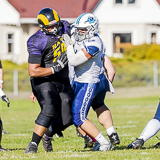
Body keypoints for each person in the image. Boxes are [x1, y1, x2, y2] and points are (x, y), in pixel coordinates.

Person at [62, 13, 120, 151]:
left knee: (78, 117)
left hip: (88, 82)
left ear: (92, 28)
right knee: (98, 104)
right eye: (78, 28)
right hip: (88, 79)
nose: (79, 31)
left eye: (83, 29)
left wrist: (69, 46)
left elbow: (74, 60)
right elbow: (65, 28)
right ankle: (111, 133)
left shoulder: (94, 43)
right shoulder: (77, 31)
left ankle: (104, 143)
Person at [25, 8, 74, 154]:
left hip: (62, 79)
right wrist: (54, 68)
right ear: (42, 26)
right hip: (43, 79)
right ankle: (33, 144)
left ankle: (48, 134)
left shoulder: (65, 26)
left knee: (69, 117)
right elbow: (33, 71)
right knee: (49, 108)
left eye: (56, 25)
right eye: (50, 26)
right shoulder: (36, 41)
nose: (55, 28)